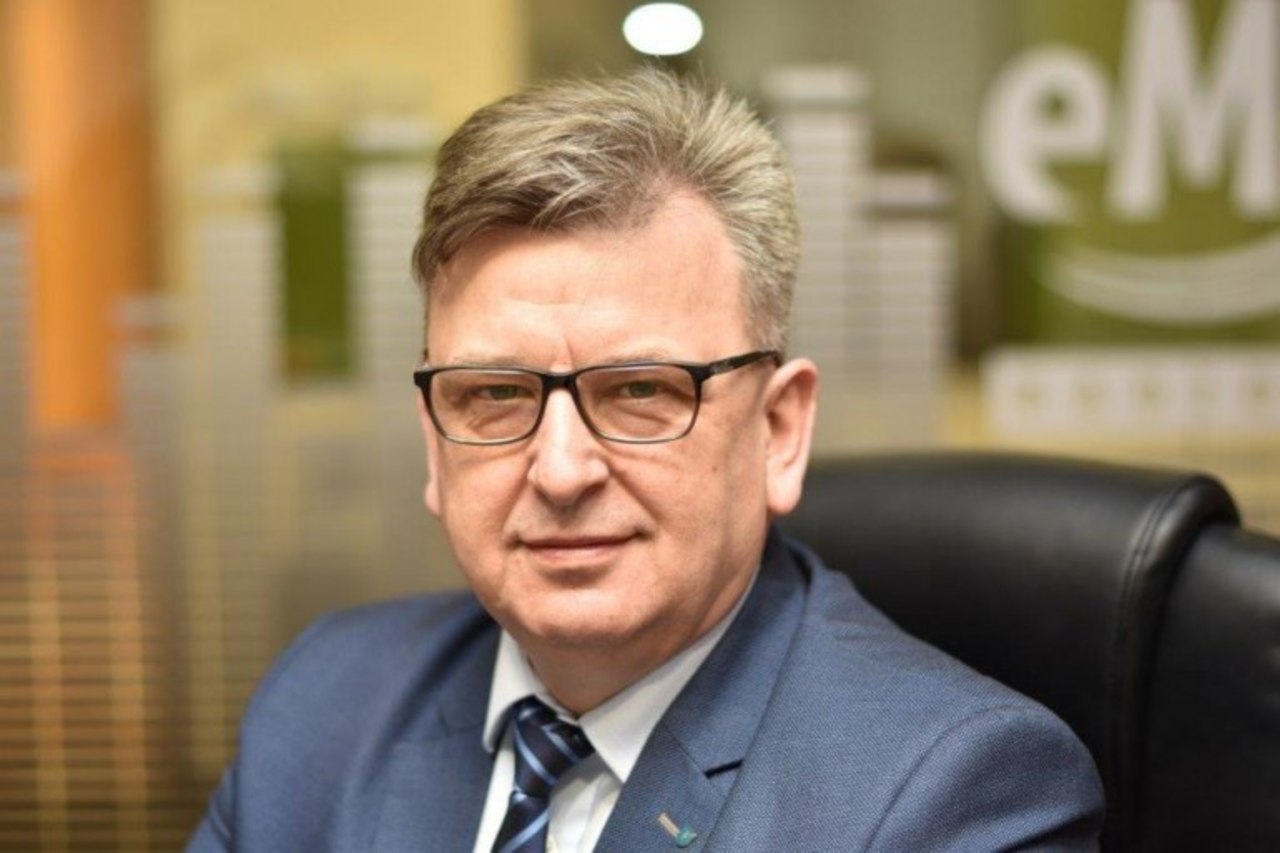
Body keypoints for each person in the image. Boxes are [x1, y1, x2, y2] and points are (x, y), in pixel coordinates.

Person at [188, 69, 1103, 852]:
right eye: (495, 393)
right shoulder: (324, 705)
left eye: (638, 390)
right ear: (434, 439)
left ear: (779, 430)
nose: (560, 471)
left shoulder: (953, 793)